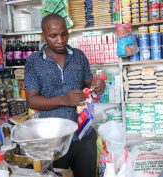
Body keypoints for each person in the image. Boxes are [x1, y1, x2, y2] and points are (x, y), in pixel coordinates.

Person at [24, 13, 105, 177]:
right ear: (43, 36)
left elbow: (87, 84)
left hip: (83, 134)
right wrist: (64, 100)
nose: (60, 40)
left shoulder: (79, 56)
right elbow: (31, 100)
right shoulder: (34, 61)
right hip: (52, 140)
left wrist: (97, 86)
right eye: (53, 36)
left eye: (64, 34)